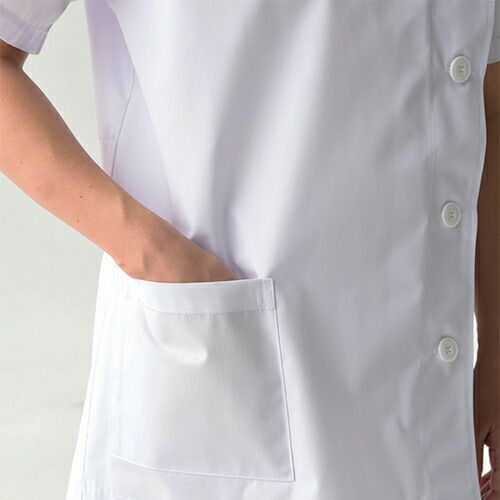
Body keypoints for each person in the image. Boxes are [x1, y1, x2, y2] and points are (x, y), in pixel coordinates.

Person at [0, 1, 498, 499]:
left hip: (428, 405)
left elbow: (483, 92)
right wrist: (151, 252)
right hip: (220, 362)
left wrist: (497, 351)